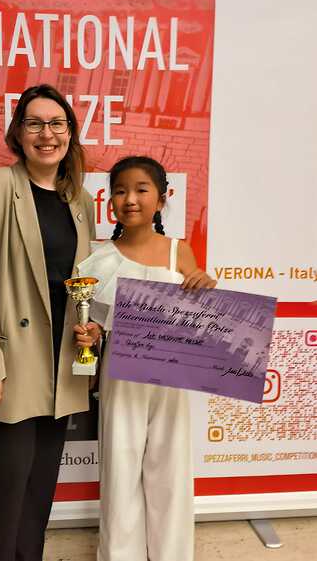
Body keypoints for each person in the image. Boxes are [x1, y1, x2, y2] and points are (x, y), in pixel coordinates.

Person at [0, 84, 97, 561]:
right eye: (35, 123)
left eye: (57, 123)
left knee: (39, 491)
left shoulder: (80, 199)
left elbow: (86, 284)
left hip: (61, 362)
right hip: (10, 363)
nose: (47, 134)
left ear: (70, 133)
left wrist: (91, 337)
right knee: (5, 488)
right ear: (18, 132)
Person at [76, 156, 216, 561]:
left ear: (162, 199)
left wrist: (206, 287)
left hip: (171, 378)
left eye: (141, 190)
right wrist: (90, 336)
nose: (130, 199)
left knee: (171, 470)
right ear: (110, 201)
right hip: (121, 376)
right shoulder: (98, 259)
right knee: (120, 469)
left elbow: (201, 322)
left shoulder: (178, 253)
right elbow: (92, 324)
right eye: (120, 191)